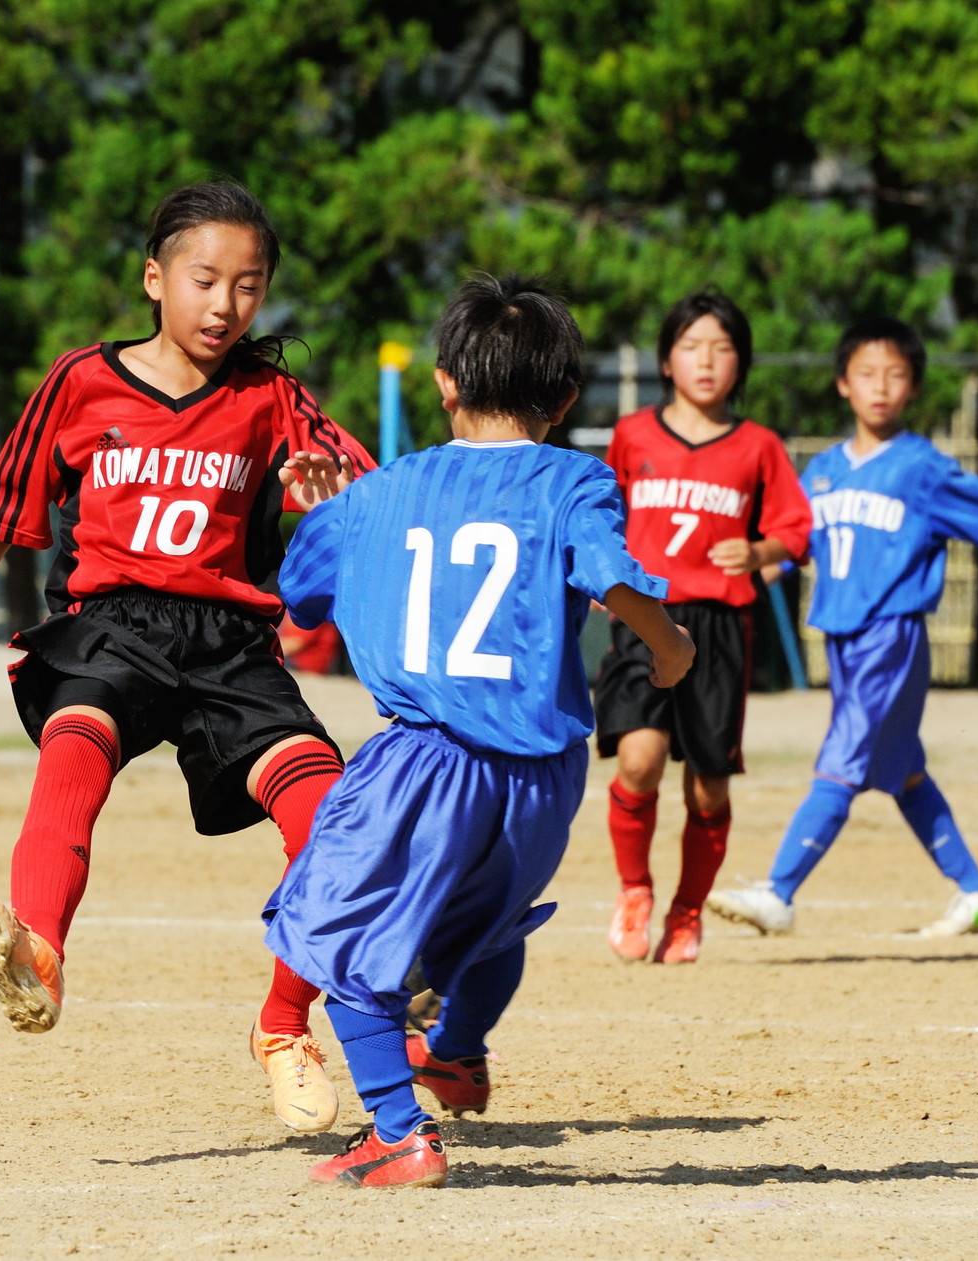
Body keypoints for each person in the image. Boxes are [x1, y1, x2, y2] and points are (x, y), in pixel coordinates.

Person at [0, 180, 375, 1132]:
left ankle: (282, 1025)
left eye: (249, 285)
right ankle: (39, 954)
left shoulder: (272, 395)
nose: (225, 304)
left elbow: (362, 495)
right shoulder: (81, 380)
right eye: (204, 279)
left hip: (232, 645)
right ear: (156, 279)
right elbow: (1, 505)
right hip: (110, 624)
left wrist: (330, 496)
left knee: (329, 820)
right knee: (76, 748)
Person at [266, 275, 695, 1188]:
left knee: (332, 929)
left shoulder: (387, 488)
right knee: (492, 925)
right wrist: (668, 645)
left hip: (426, 759)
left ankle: (396, 1130)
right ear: (565, 399)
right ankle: (457, 1051)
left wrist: (332, 508)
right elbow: (611, 575)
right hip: (543, 774)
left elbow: (299, 591)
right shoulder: (579, 476)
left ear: (443, 384)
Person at [707, 318, 978, 939]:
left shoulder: (922, 468)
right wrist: (738, 584)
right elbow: (793, 548)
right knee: (905, 773)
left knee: (841, 761)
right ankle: (977, 892)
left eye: (896, 375)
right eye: (866, 373)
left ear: (912, 389)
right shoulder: (823, 470)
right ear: (842, 384)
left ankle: (779, 891)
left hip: (891, 636)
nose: (880, 386)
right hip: (843, 641)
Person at [595, 289, 812, 964]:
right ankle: (635, 890)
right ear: (666, 360)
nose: (707, 360)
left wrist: (758, 552)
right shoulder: (632, 434)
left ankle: (687, 912)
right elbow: (601, 509)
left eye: (722, 348)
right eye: (692, 346)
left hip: (719, 626)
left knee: (707, 784)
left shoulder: (757, 446)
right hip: (644, 615)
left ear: (740, 363)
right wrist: (602, 575)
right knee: (639, 758)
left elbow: (795, 528)